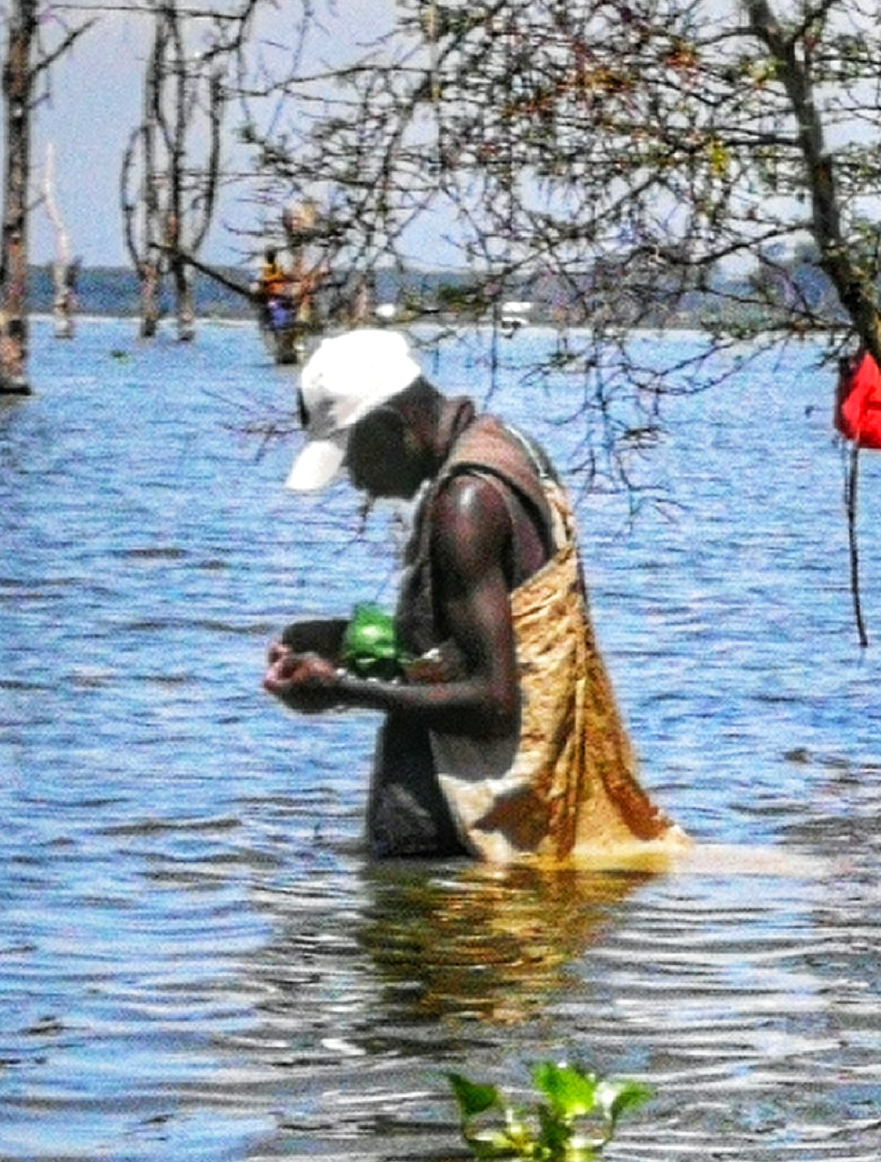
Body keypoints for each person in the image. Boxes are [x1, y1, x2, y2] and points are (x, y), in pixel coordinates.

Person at [262, 329, 687, 865]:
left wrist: (341, 689)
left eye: (355, 460)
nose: (358, 483)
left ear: (395, 429)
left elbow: (492, 702)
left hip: (462, 838)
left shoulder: (465, 504)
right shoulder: (510, 445)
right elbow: (496, 642)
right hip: (511, 821)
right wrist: (346, 639)